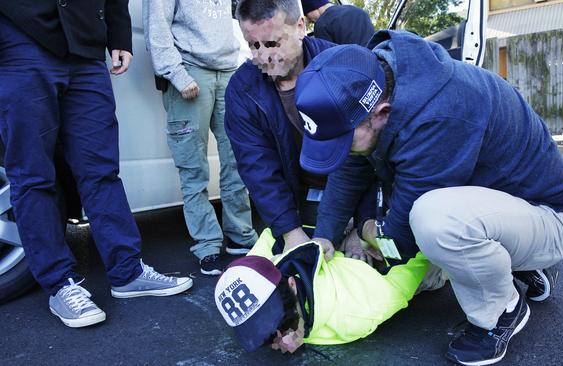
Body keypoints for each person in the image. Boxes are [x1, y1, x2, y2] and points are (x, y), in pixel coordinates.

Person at [293, 32, 563, 365]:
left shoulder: (440, 115)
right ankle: (513, 262)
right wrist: (326, 234)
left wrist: (370, 230)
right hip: (502, 212)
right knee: (425, 259)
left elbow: (402, 238)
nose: (338, 150)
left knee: (434, 221)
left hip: (547, 217)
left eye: (341, 140)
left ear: (382, 113)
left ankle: (502, 311)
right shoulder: (370, 85)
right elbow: (351, 166)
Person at [0, 2, 192, 328]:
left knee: (101, 171)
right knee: (33, 176)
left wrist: (118, 31)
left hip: (85, 46)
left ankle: (127, 272)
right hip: (19, 40)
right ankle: (61, 285)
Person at [225, 0, 373, 260]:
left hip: (358, 187)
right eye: (253, 45)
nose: (263, 56)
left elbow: (372, 155)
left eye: (272, 43)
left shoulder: (342, 66)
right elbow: (257, 168)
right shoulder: (242, 89)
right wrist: (290, 232)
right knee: (304, 263)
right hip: (304, 194)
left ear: (301, 27)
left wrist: (362, 224)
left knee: (378, 259)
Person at [143, 0, 259, 276]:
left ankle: (241, 236)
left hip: (229, 71)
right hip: (190, 71)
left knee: (237, 159)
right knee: (193, 168)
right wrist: (176, 74)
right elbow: (156, 27)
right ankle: (207, 244)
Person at [214, 229, 445, 352]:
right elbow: (267, 234)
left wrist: (364, 233)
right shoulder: (256, 267)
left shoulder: (360, 313)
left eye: (283, 324)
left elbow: (413, 263)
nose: (280, 341)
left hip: (385, 263)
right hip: (333, 235)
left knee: (433, 263)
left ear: (292, 284)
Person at [301, 0, 374, 46]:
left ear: (314, 8)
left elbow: (327, 60)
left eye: (307, 15)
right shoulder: (359, 11)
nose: (310, 21)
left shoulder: (322, 24)